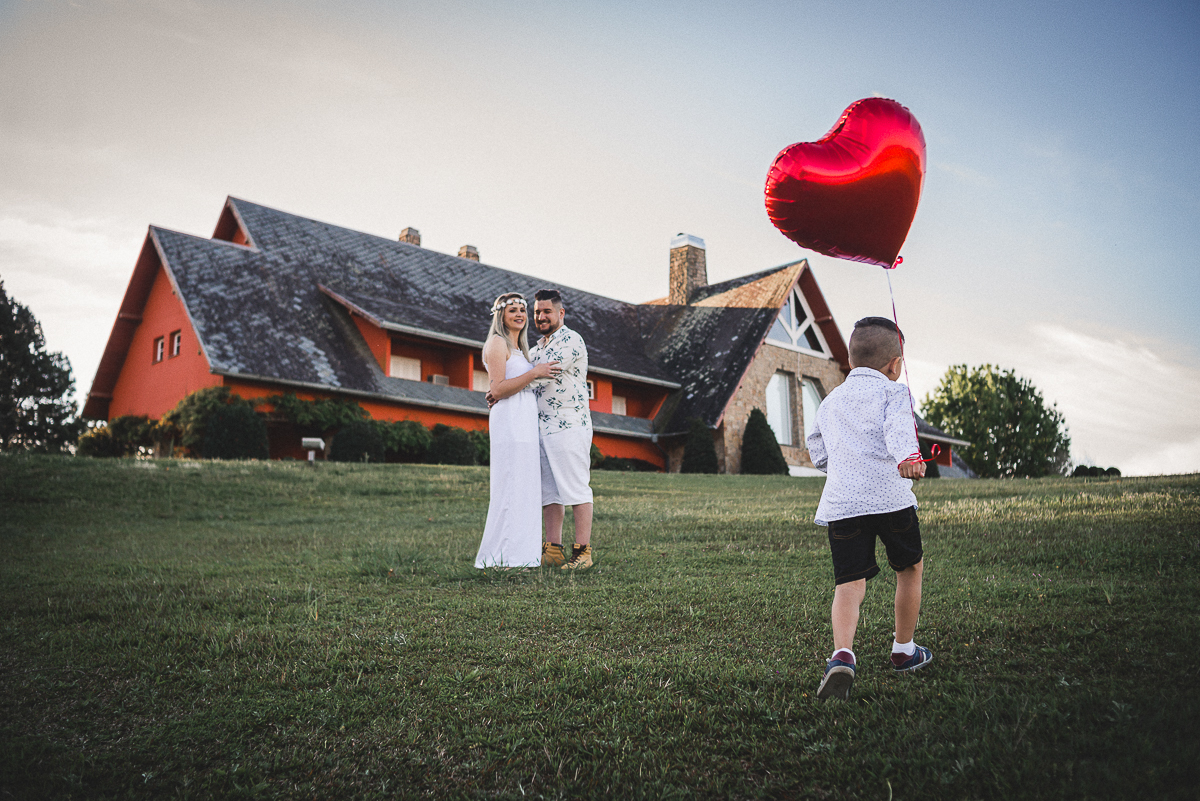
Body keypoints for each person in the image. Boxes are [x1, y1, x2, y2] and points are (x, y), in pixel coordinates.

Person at [806, 316, 932, 701]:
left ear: (850, 359)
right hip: (890, 499)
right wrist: (908, 457)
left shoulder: (830, 401)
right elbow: (899, 430)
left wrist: (844, 467)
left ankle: (842, 654)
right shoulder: (894, 393)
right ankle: (903, 650)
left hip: (843, 503)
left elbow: (817, 450)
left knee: (849, 582)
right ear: (895, 364)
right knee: (909, 568)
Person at [474, 293, 559, 569]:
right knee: (511, 485)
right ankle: (503, 557)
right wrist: (534, 373)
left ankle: (523, 556)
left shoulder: (521, 349)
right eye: (513, 310)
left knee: (525, 487)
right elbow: (498, 389)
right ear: (501, 315)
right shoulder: (497, 343)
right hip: (510, 422)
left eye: (523, 309)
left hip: (525, 422)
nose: (520, 314)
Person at [529, 289, 596, 570]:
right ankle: (553, 550)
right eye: (537, 312)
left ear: (561, 313)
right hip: (541, 427)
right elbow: (529, 378)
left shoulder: (571, 340)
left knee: (576, 488)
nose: (541, 316)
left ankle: (583, 553)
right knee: (549, 491)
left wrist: (503, 388)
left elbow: (543, 376)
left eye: (547, 311)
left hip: (569, 424)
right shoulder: (534, 350)